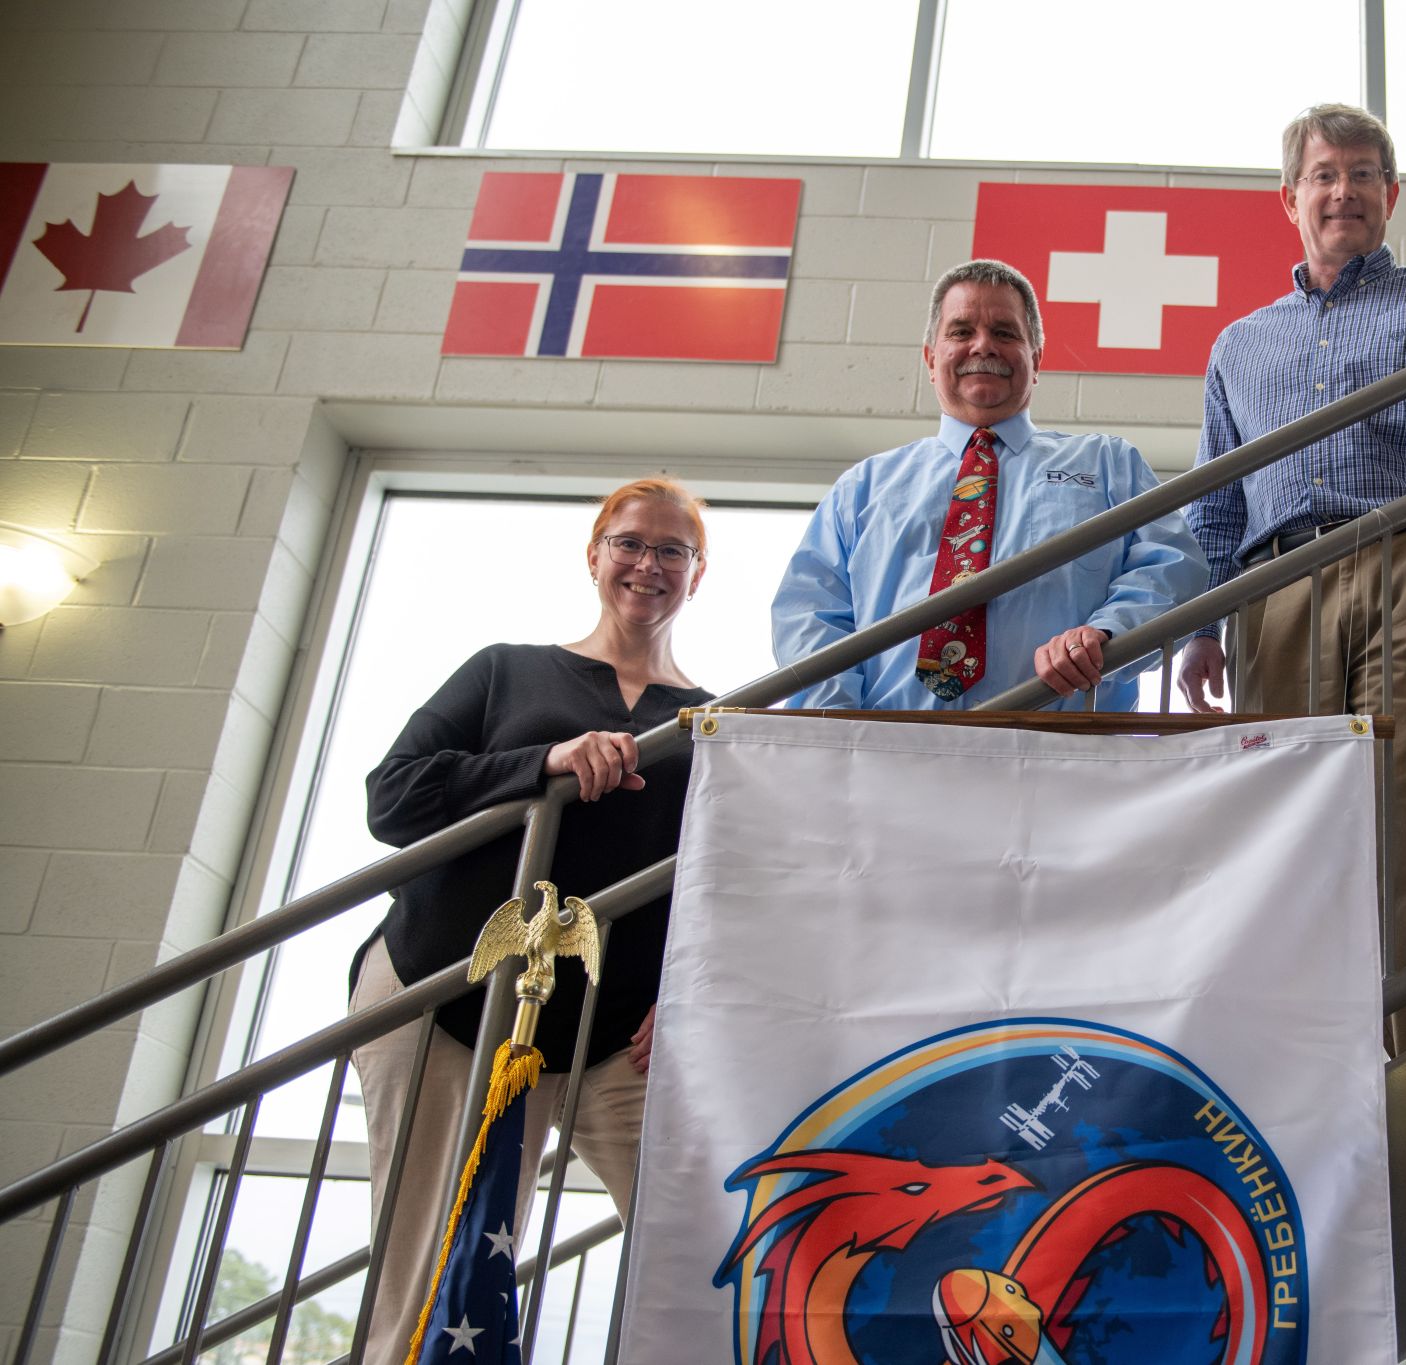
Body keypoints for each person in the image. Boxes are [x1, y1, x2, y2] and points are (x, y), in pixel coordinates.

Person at [1176, 104, 1406, 1054]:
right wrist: (1202, 625)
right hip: (1278, 590)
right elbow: (1217, 503)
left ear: (1392, 194)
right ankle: (1303, 1072)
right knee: (1288, 834)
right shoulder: (1238, 346)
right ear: (1289, 198)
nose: (1343, 191)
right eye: (1324, 174)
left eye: (1363, 174)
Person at [349, 477, 716, 1362]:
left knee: (713, 1243)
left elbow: (722, 884)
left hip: (612, 1034)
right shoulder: (506, 669)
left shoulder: (712, 722)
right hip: (450, 1003)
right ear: (595, 554)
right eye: (629, 542)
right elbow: (392, 796)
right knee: (429, 1275)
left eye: (673, 550)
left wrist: (690, 991)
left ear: (697, 576)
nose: (647, 564)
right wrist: (543, 762)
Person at [771, 258, 1207, 711]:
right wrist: (836, 733)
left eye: (1005, 333)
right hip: (890, 754)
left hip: (1069, 756)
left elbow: (1174, 565)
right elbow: (810, 615)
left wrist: (1109, 631)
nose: (984, 346)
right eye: (961, 332)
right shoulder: (862, 488)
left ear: (1036, 360)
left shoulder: (1109, 463)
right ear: (930, 357)